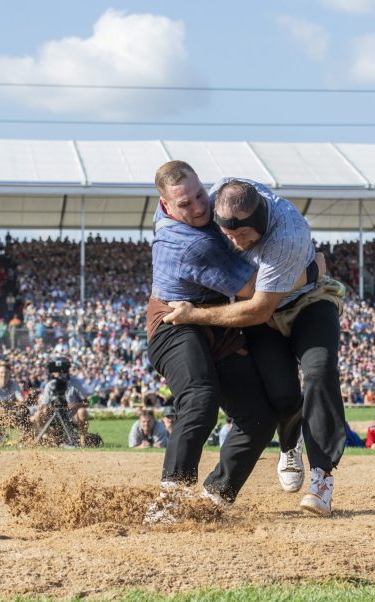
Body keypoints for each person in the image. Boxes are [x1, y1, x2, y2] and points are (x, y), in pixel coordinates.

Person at [163, 176, 344, 517]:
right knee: (282, 395)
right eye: (228, 234)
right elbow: (173, 203)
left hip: (306, 301)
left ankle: (322, 478)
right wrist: (310, 269)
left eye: (243, 235)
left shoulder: (287, 233)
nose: (234, 241)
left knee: (320, 370)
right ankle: (290, 444)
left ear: (260, 223)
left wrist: (195, 314)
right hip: (264, 313)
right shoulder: (213, 200)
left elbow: (259, 307)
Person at [144, 161, 279, 515]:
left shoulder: (190, 211)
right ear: (166, 206)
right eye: (185, 205)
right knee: (200, 400)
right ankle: (170, 502)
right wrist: (308, 268)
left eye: (200, 195)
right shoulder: (187, 243)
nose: (200, 208)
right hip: (174, 323)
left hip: (215, 323)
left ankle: (214, 498)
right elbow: (254, 289)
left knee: (260, 418)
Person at [31, 357, 90, 444]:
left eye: (61, 370)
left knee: (82, 411)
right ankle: (52, 437)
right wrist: (46, 409)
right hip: (53, 417)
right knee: (38, 415)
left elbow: (86, 402)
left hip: (71, 416)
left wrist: (75, 405)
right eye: (56, 371)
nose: (58, 373)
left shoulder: (75, 382)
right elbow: (44, 406)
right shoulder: (50, 385)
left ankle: (82, 441)